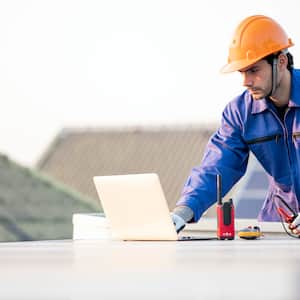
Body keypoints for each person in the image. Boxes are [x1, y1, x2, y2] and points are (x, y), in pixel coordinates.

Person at [171, 15, 300, 236]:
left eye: (254, 70)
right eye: (242, 72)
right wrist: (182, 212)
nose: (246, 81)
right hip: (278, 225)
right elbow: (217, 166)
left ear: (280, 61)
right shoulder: (240, 113)